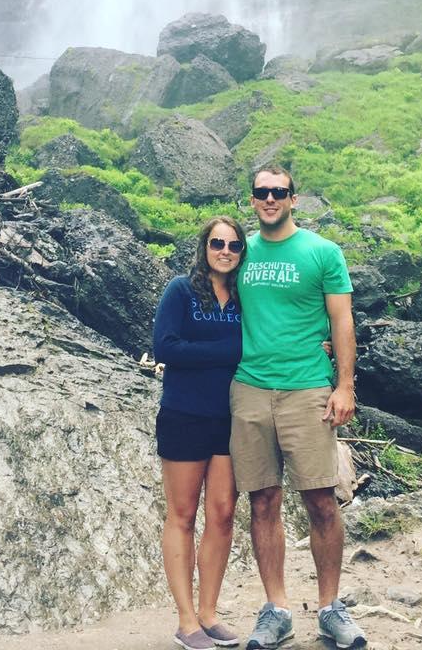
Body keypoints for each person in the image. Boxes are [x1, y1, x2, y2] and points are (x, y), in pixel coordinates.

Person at [231, 166, 368, 650]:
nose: (270, 199)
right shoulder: (239, 252)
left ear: (293, 198)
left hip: (307, 389)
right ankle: (277, 610)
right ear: (252, 200)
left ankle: (330, 608)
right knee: (263, 500)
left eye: (279, 192)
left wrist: (344, 386)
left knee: (321, 500)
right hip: (248, 388)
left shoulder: (323, 252)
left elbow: (342, 320)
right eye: (262, 192)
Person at [153, 216, 247, 650]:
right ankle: (186, 620)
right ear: (204, 247)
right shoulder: (181, 290)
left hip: (230, 418)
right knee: (183, 514)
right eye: (217, 243)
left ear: (242, 251)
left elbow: (271, 336)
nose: (225, 251)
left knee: (223, 513)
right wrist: (230, 351)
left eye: (233, 245)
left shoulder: (246, 298)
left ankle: (209, 613)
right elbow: (165, 347)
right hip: (185, 413)